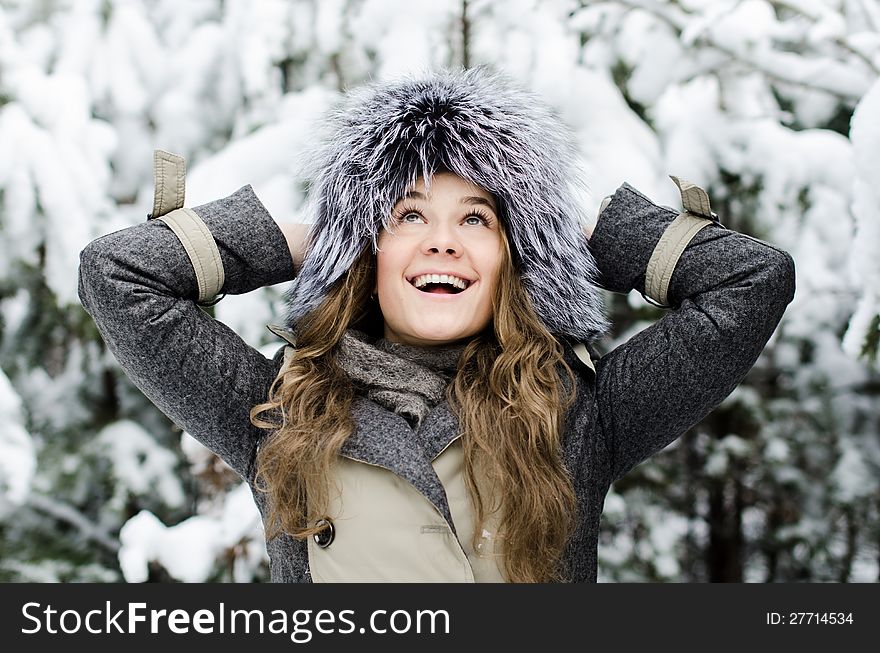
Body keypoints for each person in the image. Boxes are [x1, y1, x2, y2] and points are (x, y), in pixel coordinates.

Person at [78, 67, 796, 583]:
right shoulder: (277, 410)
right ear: (368, 251)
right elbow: (118, 274)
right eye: (408, 215)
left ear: (511, 256)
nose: (443, 242)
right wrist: (316, 238)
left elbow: (750, 281)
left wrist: (561, 233)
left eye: (477, 219)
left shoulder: (579, 413)